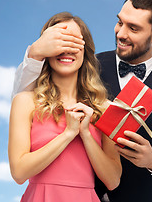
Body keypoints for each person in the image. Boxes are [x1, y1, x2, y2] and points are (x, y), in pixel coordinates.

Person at [11, 0, 152, 202]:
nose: (121, 34)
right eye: (120, 22)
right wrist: (35, 54)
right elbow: (27, 98)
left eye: (134, 28)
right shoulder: (84, 66)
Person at [8, 12, 122, 202]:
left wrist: (85, 133)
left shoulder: (105, 109)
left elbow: (113, 180)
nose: (66, 50)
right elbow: (19, 173)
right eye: (60, 41)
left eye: (75, 42)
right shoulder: (24, 102)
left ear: (86, 51)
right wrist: (68, 133)